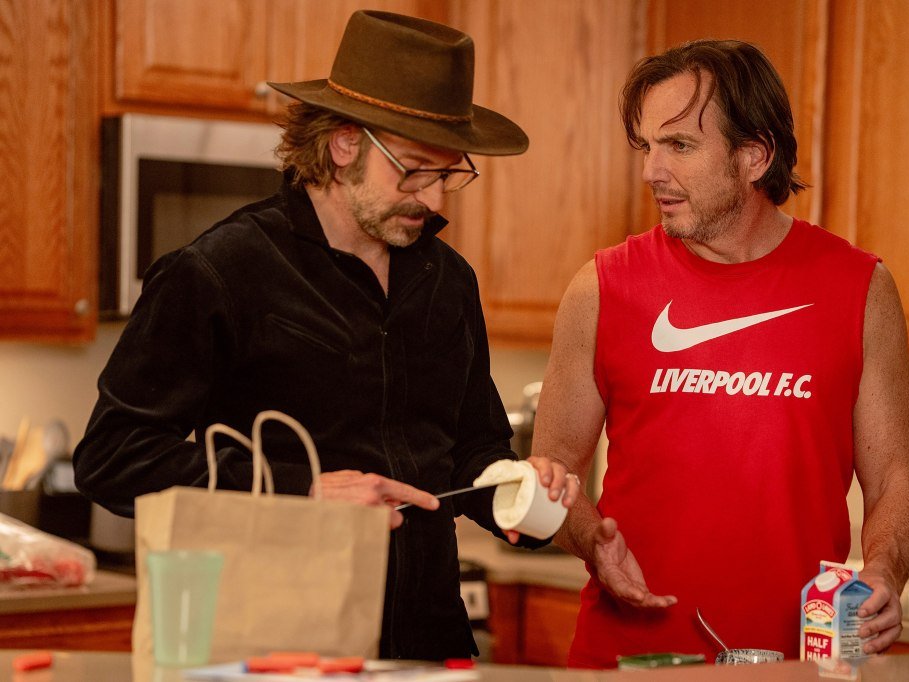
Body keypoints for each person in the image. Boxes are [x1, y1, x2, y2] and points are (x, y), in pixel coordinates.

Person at [73, 10, 580, 661]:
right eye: (415, 169)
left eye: (448, 174)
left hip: (429, 640)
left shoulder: (448, 281)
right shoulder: (220, 270)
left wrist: (518, 487)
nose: (435, 202)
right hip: (279, 643)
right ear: (345, 145)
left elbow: (470, 448)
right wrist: (304, 489)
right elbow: (113, 458)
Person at [531, 39, 909, 667]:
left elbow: (897, 481)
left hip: (797, 662)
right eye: (646, 146)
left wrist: (883, 569)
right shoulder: (602, 287)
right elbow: (553, 470)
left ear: (754, 156)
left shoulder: (860, 288)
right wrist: (589, 538)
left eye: (679, 146)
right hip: (629, 662)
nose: (651, 171)